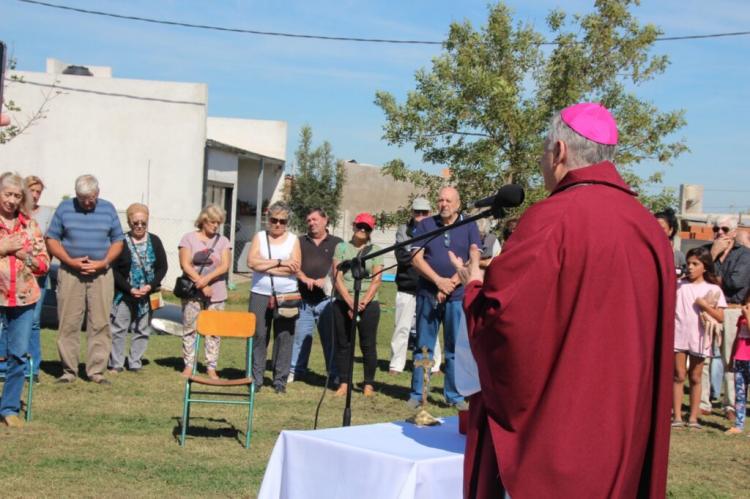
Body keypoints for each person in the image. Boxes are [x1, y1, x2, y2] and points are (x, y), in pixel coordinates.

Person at [450, 103, 675, 497]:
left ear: (560, 151)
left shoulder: (551, 220)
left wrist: (474, 287)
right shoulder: (648, 229)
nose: (541, 162)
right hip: (623, 429)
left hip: (563, 433)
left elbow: (503, 323)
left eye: (543, 152)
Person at [407, 186, 480, 411]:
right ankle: (418, 393)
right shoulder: (426, 225)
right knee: (423, 346)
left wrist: (451, 283)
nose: (444, 204)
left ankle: (454, 395)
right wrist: (438, 281)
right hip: (428, 294)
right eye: (440, 200)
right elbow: (416, 259)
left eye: (448, 200)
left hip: (457, 296)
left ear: (458, 203)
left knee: (454, 348)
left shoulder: (469, 225)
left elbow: (473, 257)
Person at [46, 174, 124, 384]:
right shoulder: (64, 208)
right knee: (68, 321)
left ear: (97, 193)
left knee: (100, 322)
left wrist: (104, 262)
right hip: (71, 273)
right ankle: (68, 371)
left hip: (101, 274)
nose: (87, 203)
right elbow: (52, 239)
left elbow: (118, 241)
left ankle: (96, 372)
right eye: (82, 199)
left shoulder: (108, 209)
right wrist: (70, 261)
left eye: (90, 198)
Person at [0, 172, 49, 427]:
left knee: (18, 355)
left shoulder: (29, 226)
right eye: (7, 194)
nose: (11, 200)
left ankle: (8, 409)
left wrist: (22, 255)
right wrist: (3, 248)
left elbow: (44, 264)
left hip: (23, 298)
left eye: (17, 196)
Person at [247, 202, 300, 393]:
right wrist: (279, 262)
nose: (278, 224)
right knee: (259, 334)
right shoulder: (259, 237)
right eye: (274, 220)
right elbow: (251, 263)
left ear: (287, 222)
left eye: (282, 221)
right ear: (268, 220)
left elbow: (294, 267)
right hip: (260, 293)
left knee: (284, 336)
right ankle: (256, 378)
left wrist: (266, 265)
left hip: (287, 294)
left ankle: (280, 380)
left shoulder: (293, 240)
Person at [108, 203, 167, 373]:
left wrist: (150, 285)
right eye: (136, 223)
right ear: (129, 222)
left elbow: (162, 267)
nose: (139, 226)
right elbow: (114, 269)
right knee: (119, 328)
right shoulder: (120, 242)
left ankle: (135, 361)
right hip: (125, 294)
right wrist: (129, 289)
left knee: (143, 328)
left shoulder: (155, 241)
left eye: (143, 223)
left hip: (149, 294)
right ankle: (116, 363)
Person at [673, 247, 726, 429]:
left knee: (695, 376)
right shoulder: (679, 286)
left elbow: (720, 317)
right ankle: (677, 415)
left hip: (700, 338)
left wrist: (704, 305)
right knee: (679, 375)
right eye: (688, 263)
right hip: (678, 335)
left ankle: (693, 417)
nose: (690, 267)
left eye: (695, 264)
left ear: (705, 267)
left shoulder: (712, 289)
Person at [332, 212, 383, 397]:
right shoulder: (341, 248)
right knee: (344, 344)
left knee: (368, 345)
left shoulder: (377, 250)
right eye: (360, 226)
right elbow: (337, 278)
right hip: (343, 302)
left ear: (371, 231)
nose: (362, 230)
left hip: (368, 304)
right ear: (354, 226)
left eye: (367, 228)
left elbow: (377, 280)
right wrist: (349, 302)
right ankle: (344, 383)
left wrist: (362, 302)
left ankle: (368, 384)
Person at [389, 198, 441, 375]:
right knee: (401, 327)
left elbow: (435, 259)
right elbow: (402, 257)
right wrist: (421, 260)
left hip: (428, 286)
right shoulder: (403, 230)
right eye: (417, 212)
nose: (420, 216)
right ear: (412, 212)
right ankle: (396, 365)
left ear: (430, 213)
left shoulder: (436, 230)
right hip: (407, 286)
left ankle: (434, 366)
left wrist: (418, 259)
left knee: (430, 326)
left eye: (424, 213)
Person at [178, 204, 231, 380]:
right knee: (190, 328)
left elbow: (225, 265)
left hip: (216, 292)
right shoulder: (188, 239)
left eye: (218, 222)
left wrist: (207, 280)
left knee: (214, 331)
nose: (215, 226)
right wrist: (201, 284)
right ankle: (189, 364)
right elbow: (185, 264)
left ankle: (211, 366)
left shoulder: (223, 241)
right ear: (203, 220)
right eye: (212, 222)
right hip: (193, 292)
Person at [288, 208, 341, 383]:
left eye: (315, 219)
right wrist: (304, 278)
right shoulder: (299, 241)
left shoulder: (337, 243)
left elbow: (340, 269)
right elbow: (293, 265)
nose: (311, 223)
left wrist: (325, 280)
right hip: (304, 300)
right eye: (309, 220)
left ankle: (333, 374)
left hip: (327, 300)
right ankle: (295, 370)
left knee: (329, 340)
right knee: (300, 337)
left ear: (326, 220)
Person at [706, 216, 750, 422]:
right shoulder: (707, 250)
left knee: (730, 360)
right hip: (708, 308)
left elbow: (736, 282)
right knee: (704, 356)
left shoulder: (744, 255)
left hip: (733, 309)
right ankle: (703, 402)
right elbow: (698, 275)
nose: (719, 232)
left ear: (733, 233)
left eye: (724, 229)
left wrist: (711, 265)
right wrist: (712, 255)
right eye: (716, 228)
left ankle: (729, 404)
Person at [23, 176, 53, 382]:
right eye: (32, 190)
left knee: (33, 321)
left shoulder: (45, 214)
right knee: (7, 320)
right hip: (14, 274)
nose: (35, 195)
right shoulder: (13, 213)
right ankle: (6, 364)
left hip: (37, 275)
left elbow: (49, 244)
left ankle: (31, 369)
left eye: (38, 192)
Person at [725, 293, 750, 435]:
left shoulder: (745, 317)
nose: (747, 306)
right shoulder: (741, 319)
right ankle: (739, 425)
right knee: (740, 394)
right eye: (746, 303)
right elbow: (737, 338)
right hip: (740, 360)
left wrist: (747, 316)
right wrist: (731, 358)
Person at [655, 208, 686, 278]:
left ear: (670, 230)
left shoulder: (678, 256)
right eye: (654, 228)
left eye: (662, 229)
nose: (657, 232)